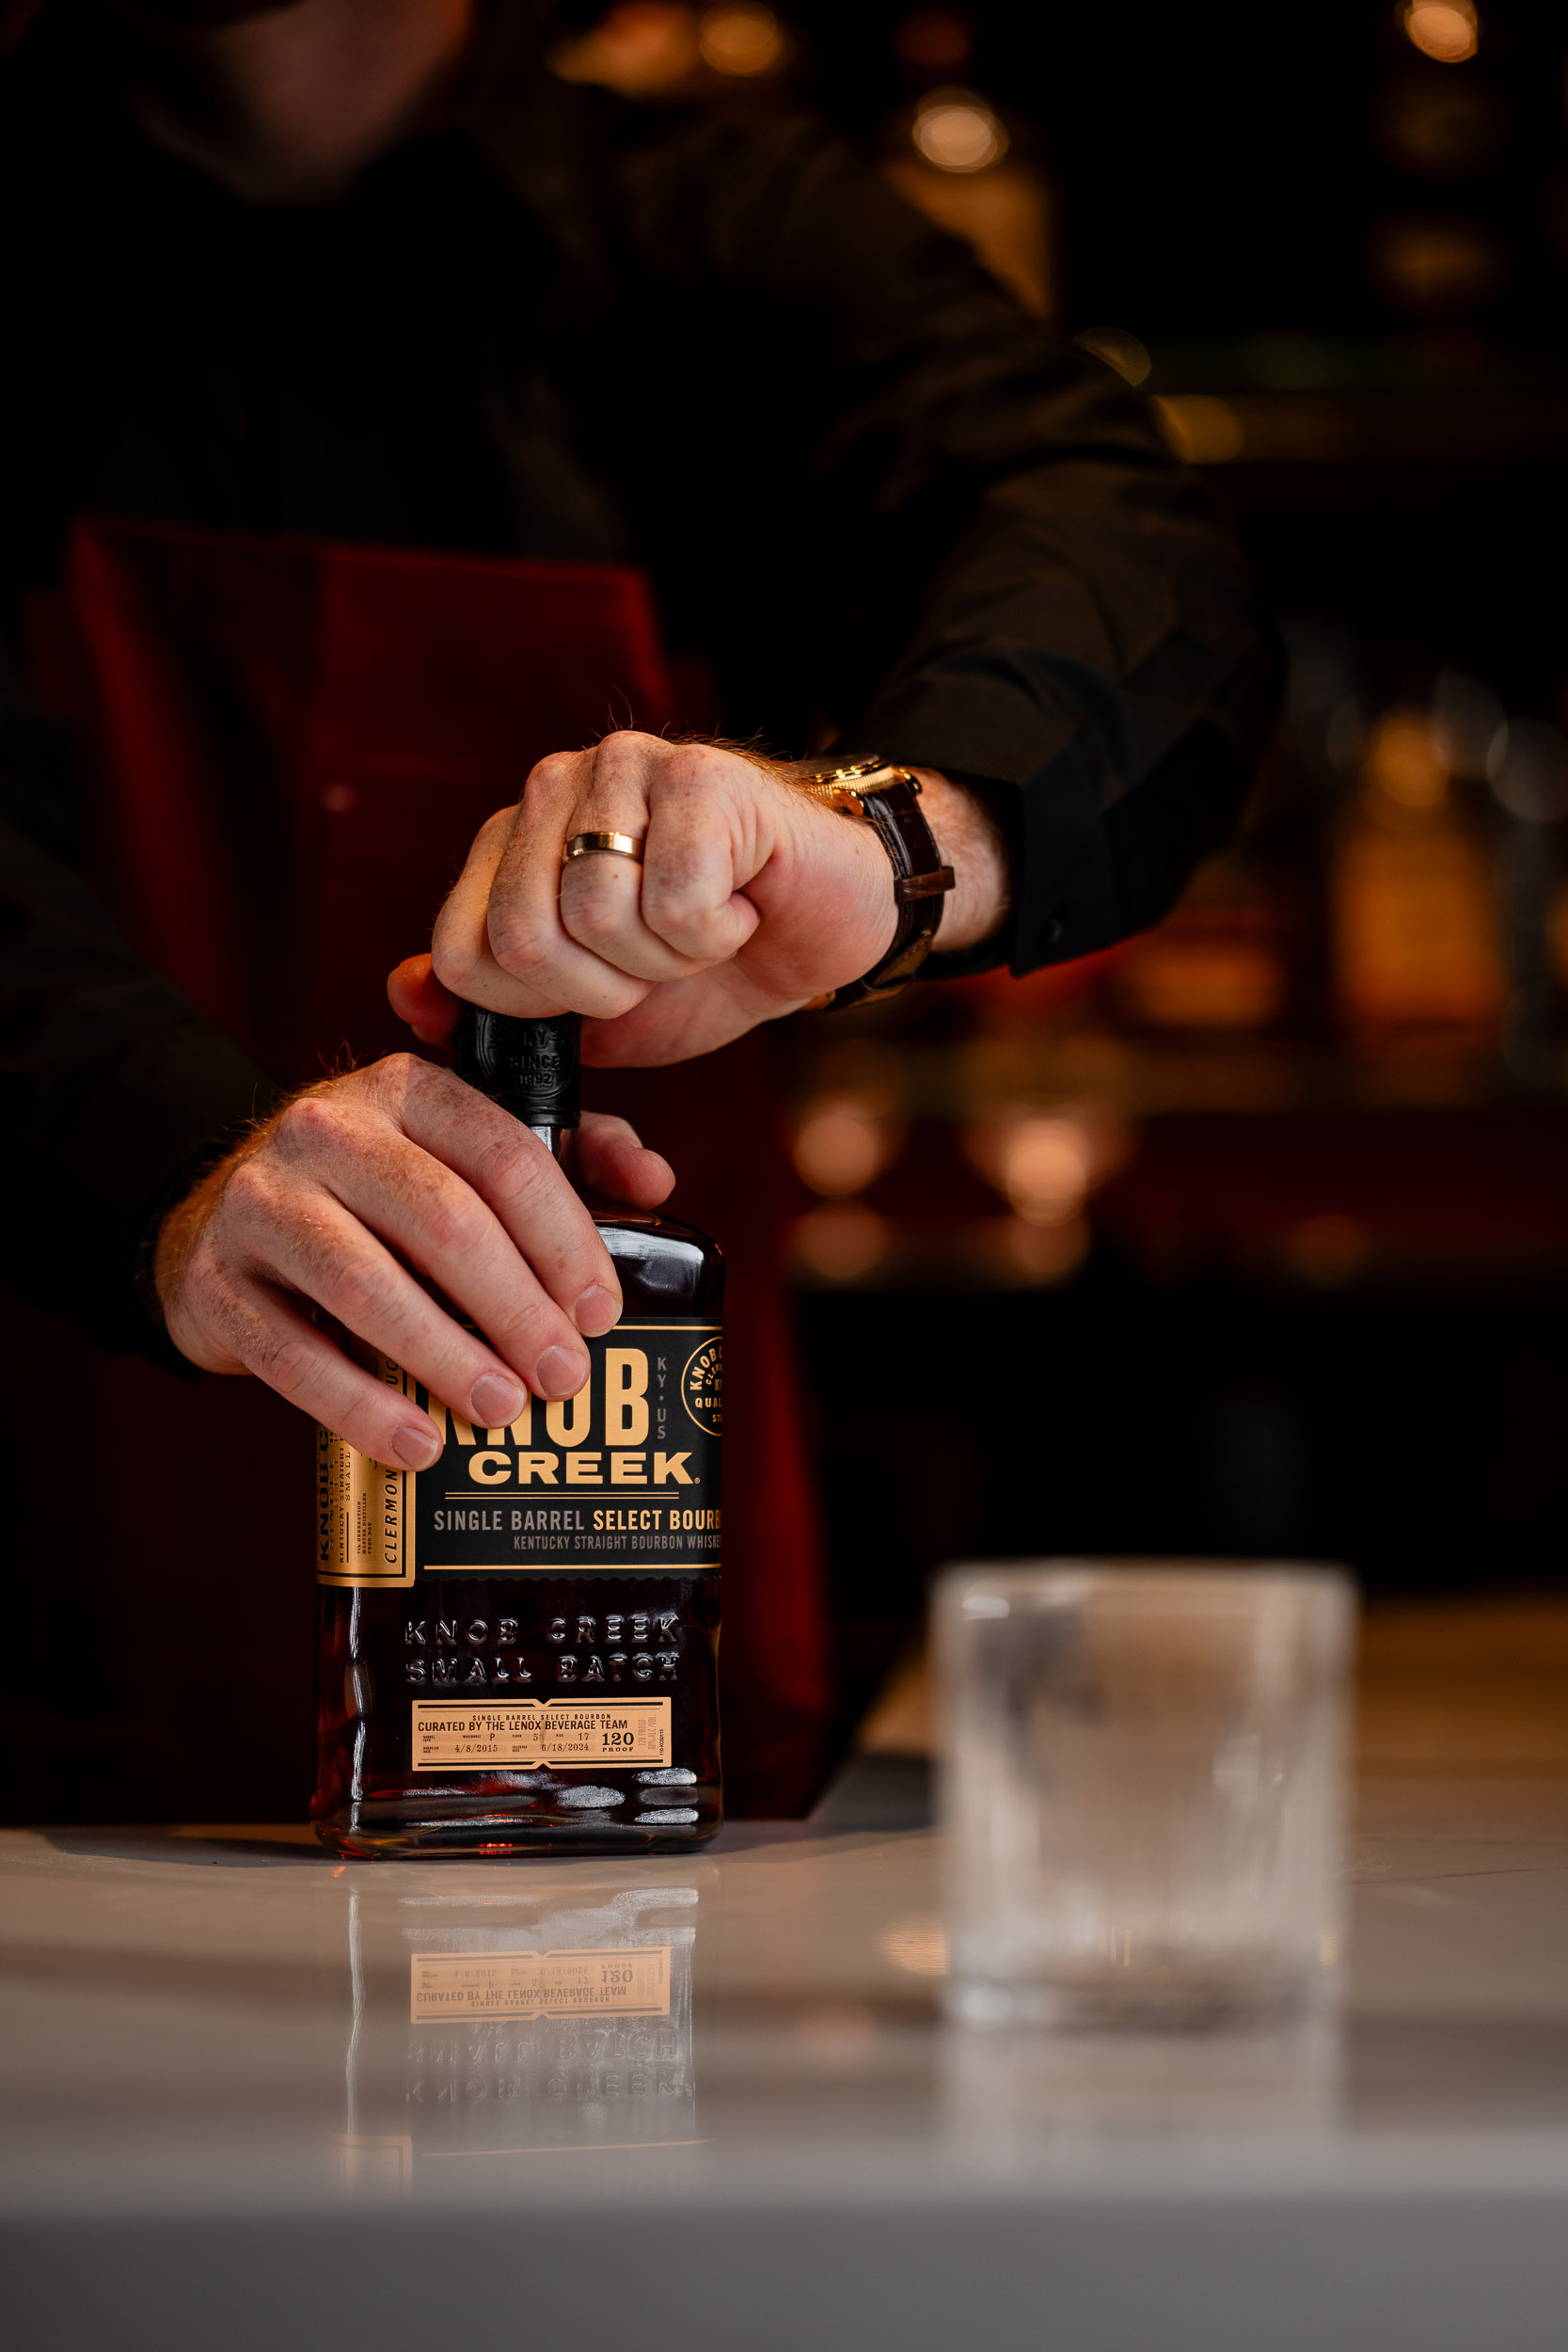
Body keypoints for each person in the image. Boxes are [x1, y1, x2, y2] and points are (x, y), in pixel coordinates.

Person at [0, 0, 1279, 1810]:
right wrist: (167, 1163)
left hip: (625, 1691)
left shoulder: (716, 226)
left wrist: (885, 843)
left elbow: (1135, 545)